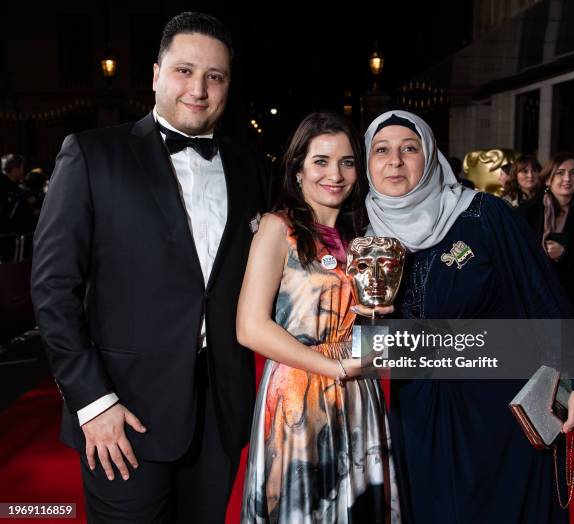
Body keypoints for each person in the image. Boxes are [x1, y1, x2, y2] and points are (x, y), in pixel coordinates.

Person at [31, 12, 269, 523]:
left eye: (215, 76)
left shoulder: (249, 166)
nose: (199, 89)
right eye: (185, 71)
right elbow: (53, 289)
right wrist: (92, 403)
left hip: (220, 411)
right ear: (157, 75)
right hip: (123, 413)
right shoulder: (93, 155)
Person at [362, 110, 574, 523]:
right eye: (381, 150)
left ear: (431, 157)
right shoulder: (369, 238)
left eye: (409, 148)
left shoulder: (484, 215)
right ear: (368, 162)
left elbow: (545, 294)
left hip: (497, 409)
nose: (394, 160)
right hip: (418, 411)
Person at [238, 112, 400, 523]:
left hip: (358, 391)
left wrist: (378, 321)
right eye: (321, 161)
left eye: (347, 162)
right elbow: (250, 327)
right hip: (299, 395)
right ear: (297, 170)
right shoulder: (277, 228)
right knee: (305, 507)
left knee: (358, 505)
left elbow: (365, 331)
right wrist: (333, 367)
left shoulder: (364, 236)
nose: (336, 174)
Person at [518, 153, 574, 318]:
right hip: (532, 301)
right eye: (560, 172)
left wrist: (566, 253)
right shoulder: (525, 213)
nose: (568, 178)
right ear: (547, 180)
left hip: (571, 302)